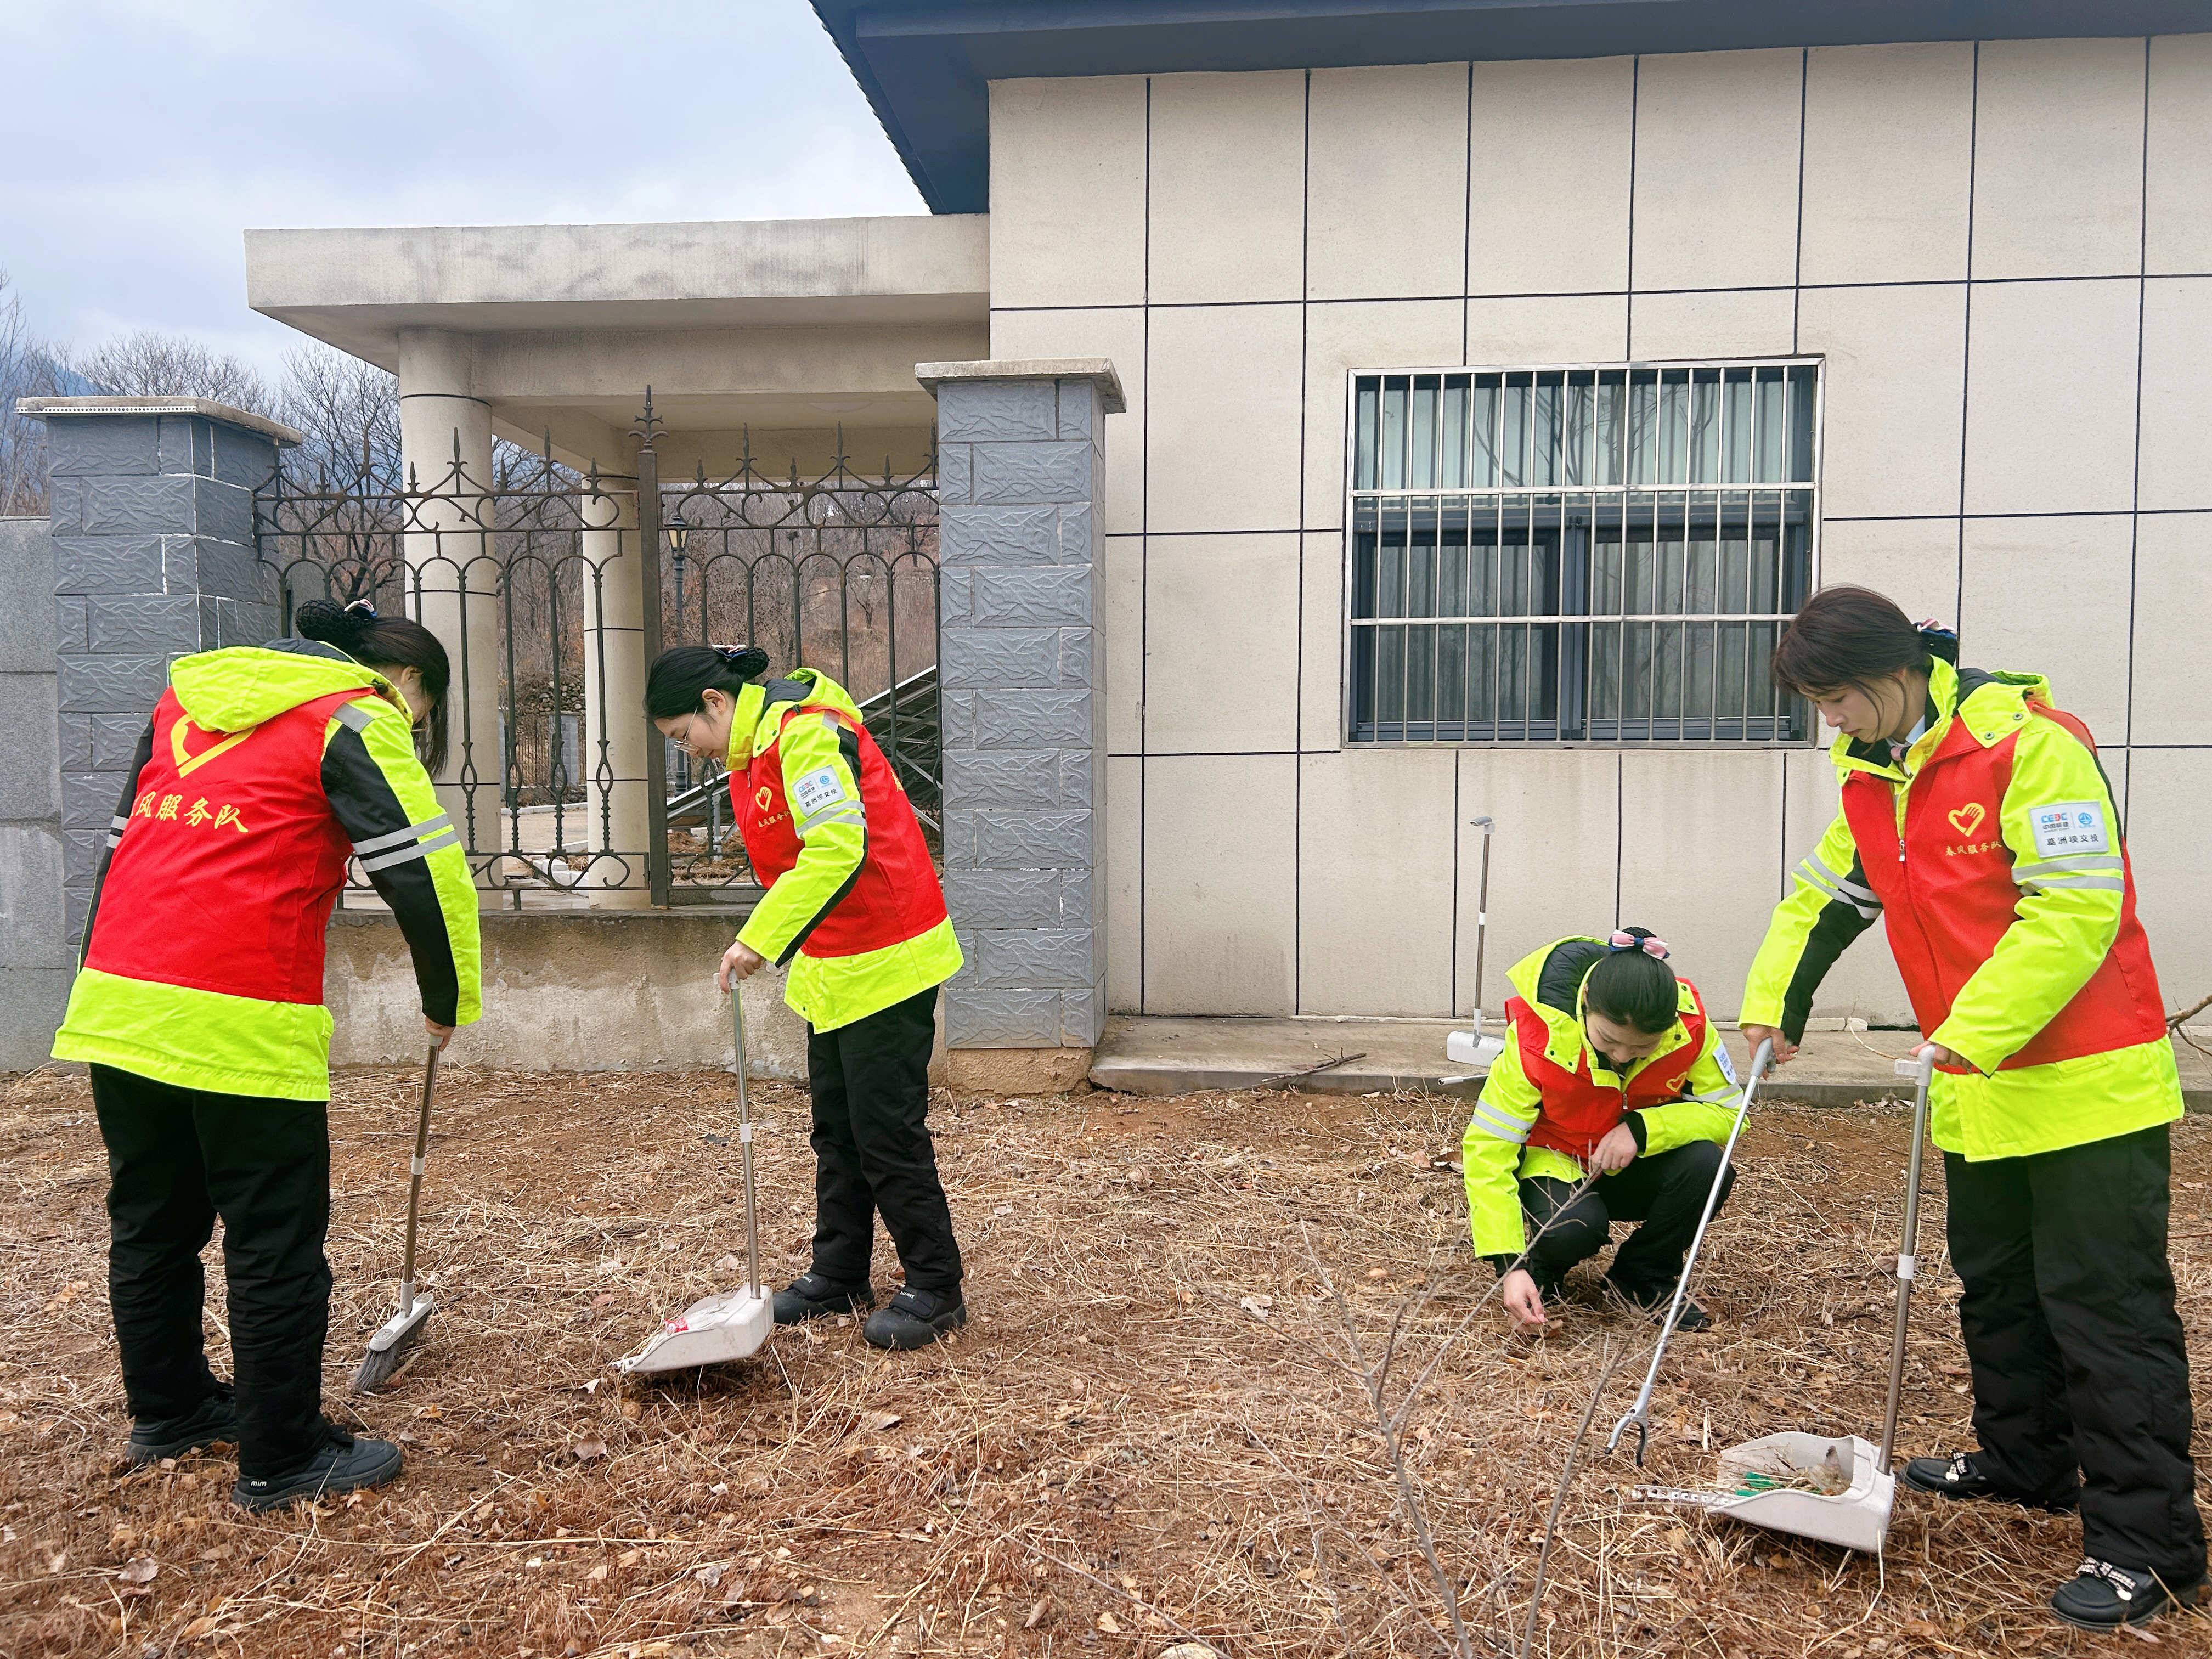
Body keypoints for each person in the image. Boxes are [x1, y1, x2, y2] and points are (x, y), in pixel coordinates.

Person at [1740, 584, 2201, 1632]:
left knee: (2103, 1306)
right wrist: (1772, 1006)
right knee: (1996, 1285)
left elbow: (2074, 906)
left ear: (1895, 672)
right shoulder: (1873, 775)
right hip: (1978, 1085)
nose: (1830, 720)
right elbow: (1824, 897)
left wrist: (1972, 1027)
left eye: (1836, 696)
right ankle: (2023, 1456)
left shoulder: (2029, 746)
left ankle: (2149, 1543)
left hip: (2086, 1084)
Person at [50, 598, 481, 1511]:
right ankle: (281, 1455)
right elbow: (426, 867)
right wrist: (448, 998)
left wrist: (100, 969)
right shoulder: (354, 716)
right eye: (426, 711)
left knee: (153, 1220)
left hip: (120, 1000)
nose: (419, 725)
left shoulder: (182, 705)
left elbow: (121, 844)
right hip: (241, 1012)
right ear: (406, 681)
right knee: (273, 1236)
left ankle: (169, 1411)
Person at [647, 645, 967, 1351]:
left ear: (715, 702)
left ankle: (936, 1286)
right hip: (835, 964)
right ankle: (840, 1270)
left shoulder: (807, 734)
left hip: (891, 953)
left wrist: (757, 940)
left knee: (887, 1130)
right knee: (837, 1129)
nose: (689, 751)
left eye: (684, 735)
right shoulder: (754, 751)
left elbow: (835, 848)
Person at [1463, 928, 1743, 1331]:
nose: (1624, 1055)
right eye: (1609, 1040)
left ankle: (1642, 1278)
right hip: (1556, 1163)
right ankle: (1542, 1268)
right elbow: (1490, 1146)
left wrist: (1643, 1130)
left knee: (1709, 1167)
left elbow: (1732, 1114)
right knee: (1572, 1229)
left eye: (1644, 1047)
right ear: (1587, 1001)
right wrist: (1511, 1264)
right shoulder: (1535, 1038)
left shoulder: (1690, 1028)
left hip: (1632, 1162)